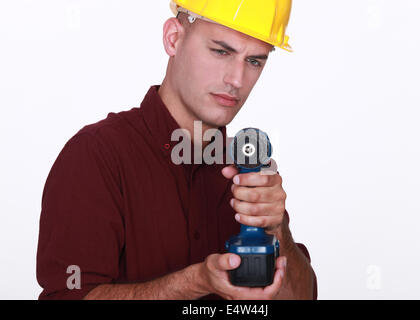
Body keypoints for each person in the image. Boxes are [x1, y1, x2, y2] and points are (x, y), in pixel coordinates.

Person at [36, 0, 317, 300]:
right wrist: (195, 282)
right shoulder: (96, 156)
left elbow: (301, 296)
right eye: (221, 51)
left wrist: (277, 232)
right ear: (173, 38)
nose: (236, 80)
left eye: (255, 61)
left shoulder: (249, 169)